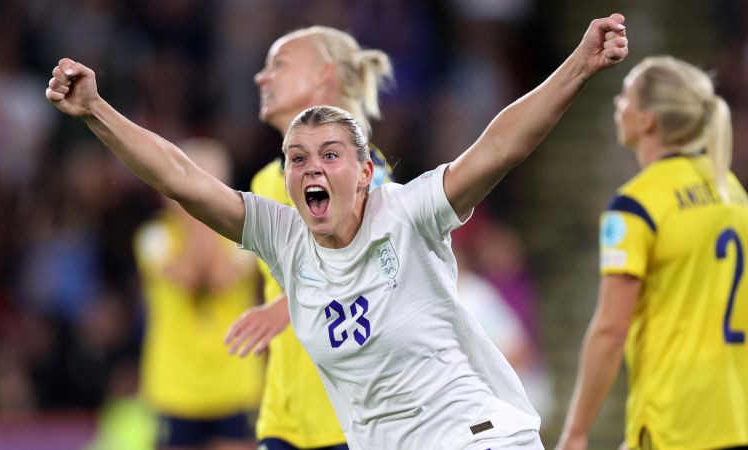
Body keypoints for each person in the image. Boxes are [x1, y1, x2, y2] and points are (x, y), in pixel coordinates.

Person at [45, 13, 628, 449]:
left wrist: (579, 64)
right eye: (296, 159)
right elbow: (180, 177)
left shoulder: (408, 213)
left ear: (367, 170)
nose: (311, 169)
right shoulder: (282, 235)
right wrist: (98, 110)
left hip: (472, 434)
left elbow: (500, 146)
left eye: (330, 155)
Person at [556, 56, 748, 450]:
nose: (617, 105)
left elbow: (610, 330)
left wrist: (576, 430)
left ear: (648, 121)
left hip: (675, 420)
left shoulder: (635, 207)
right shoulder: (731, 191)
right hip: (736, 414)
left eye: (625, 96)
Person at [224, 26, 394, 450]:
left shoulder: (364, 171)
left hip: (353, 419)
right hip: (284, 419)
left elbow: (384, 265)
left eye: (278, 64)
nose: (262, 78)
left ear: (324, 75)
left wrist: (287, 306)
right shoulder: (265, 181)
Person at [133, 138, 264, 450]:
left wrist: (206, 208)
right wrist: (197, 207)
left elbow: (218, 279)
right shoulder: (154, 237)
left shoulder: (246, 237)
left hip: (234, 384)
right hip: (174, 389)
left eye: (209, 182)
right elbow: (189, 278)